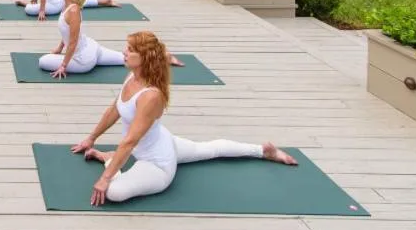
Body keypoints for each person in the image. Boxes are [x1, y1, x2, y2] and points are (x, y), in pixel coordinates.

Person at [72, 31, 296, 205]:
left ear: (144, 58)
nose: (124, 52)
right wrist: (91, 138)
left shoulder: (150, 96)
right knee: (208, 150)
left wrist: (106, 177)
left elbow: (130, 141)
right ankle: (262, 150)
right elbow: (115, 109)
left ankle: (108, 158)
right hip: (163, 140)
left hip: (157, 164)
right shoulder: (133, 76)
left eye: (130, 50)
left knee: (114, 192)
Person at [35, 0, 183, 75]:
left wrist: (63, 66)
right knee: (123, 58)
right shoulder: (67, 4)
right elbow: (67, 34)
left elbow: (72, 43)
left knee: (43, 61)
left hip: (82, 60)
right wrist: (59, 48)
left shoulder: (73, 11)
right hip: (91, 48)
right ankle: (164, 57)